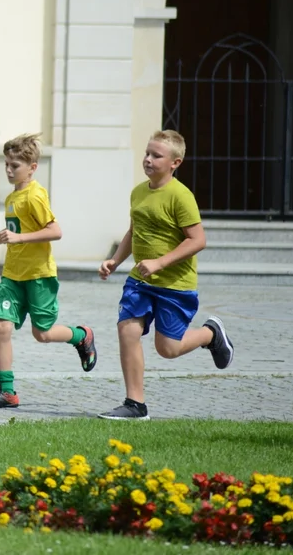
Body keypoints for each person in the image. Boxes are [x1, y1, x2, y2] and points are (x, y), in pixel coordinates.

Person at [97, 130, 235, 420]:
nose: (148, 159)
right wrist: (115, 260)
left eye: (156, 155)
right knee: (128, 329)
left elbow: (197, 240)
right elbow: (134, 231)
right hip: (140, 281)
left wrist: (160, 263)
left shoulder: (181, 196)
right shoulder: (138, 192)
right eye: (147, 153)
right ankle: (135, 404)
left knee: (168, 349)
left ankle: (210, 334)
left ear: (175, 162)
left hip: (175, 285)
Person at [0, 133, 97, 408]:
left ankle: (81, 335)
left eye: (15, 165)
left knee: (43, 334)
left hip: (39, 275)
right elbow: (11, 233)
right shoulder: (12, 197)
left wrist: (20, 239)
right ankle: (7, 391)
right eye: (6, 164)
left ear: (32, 167)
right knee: (2, 327)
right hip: (12, 275)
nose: (9, 169)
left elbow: (55, 231)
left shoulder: (36, 195)